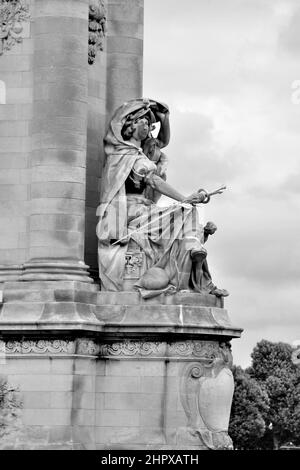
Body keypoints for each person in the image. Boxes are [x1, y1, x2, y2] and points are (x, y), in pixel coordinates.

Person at [96, 98, 228, 297]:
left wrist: (165, 119)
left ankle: (195, 256)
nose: (149, 127)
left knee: (185, 215)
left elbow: (162, 143)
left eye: (150, 124)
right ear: (131, 126)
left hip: (143, 210)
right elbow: (155, 181)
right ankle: (194, 252)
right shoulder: (128, 157)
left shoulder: (136, 154)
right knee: (184, 210)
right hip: (129, 213)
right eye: (145, 122)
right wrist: (185, 198)